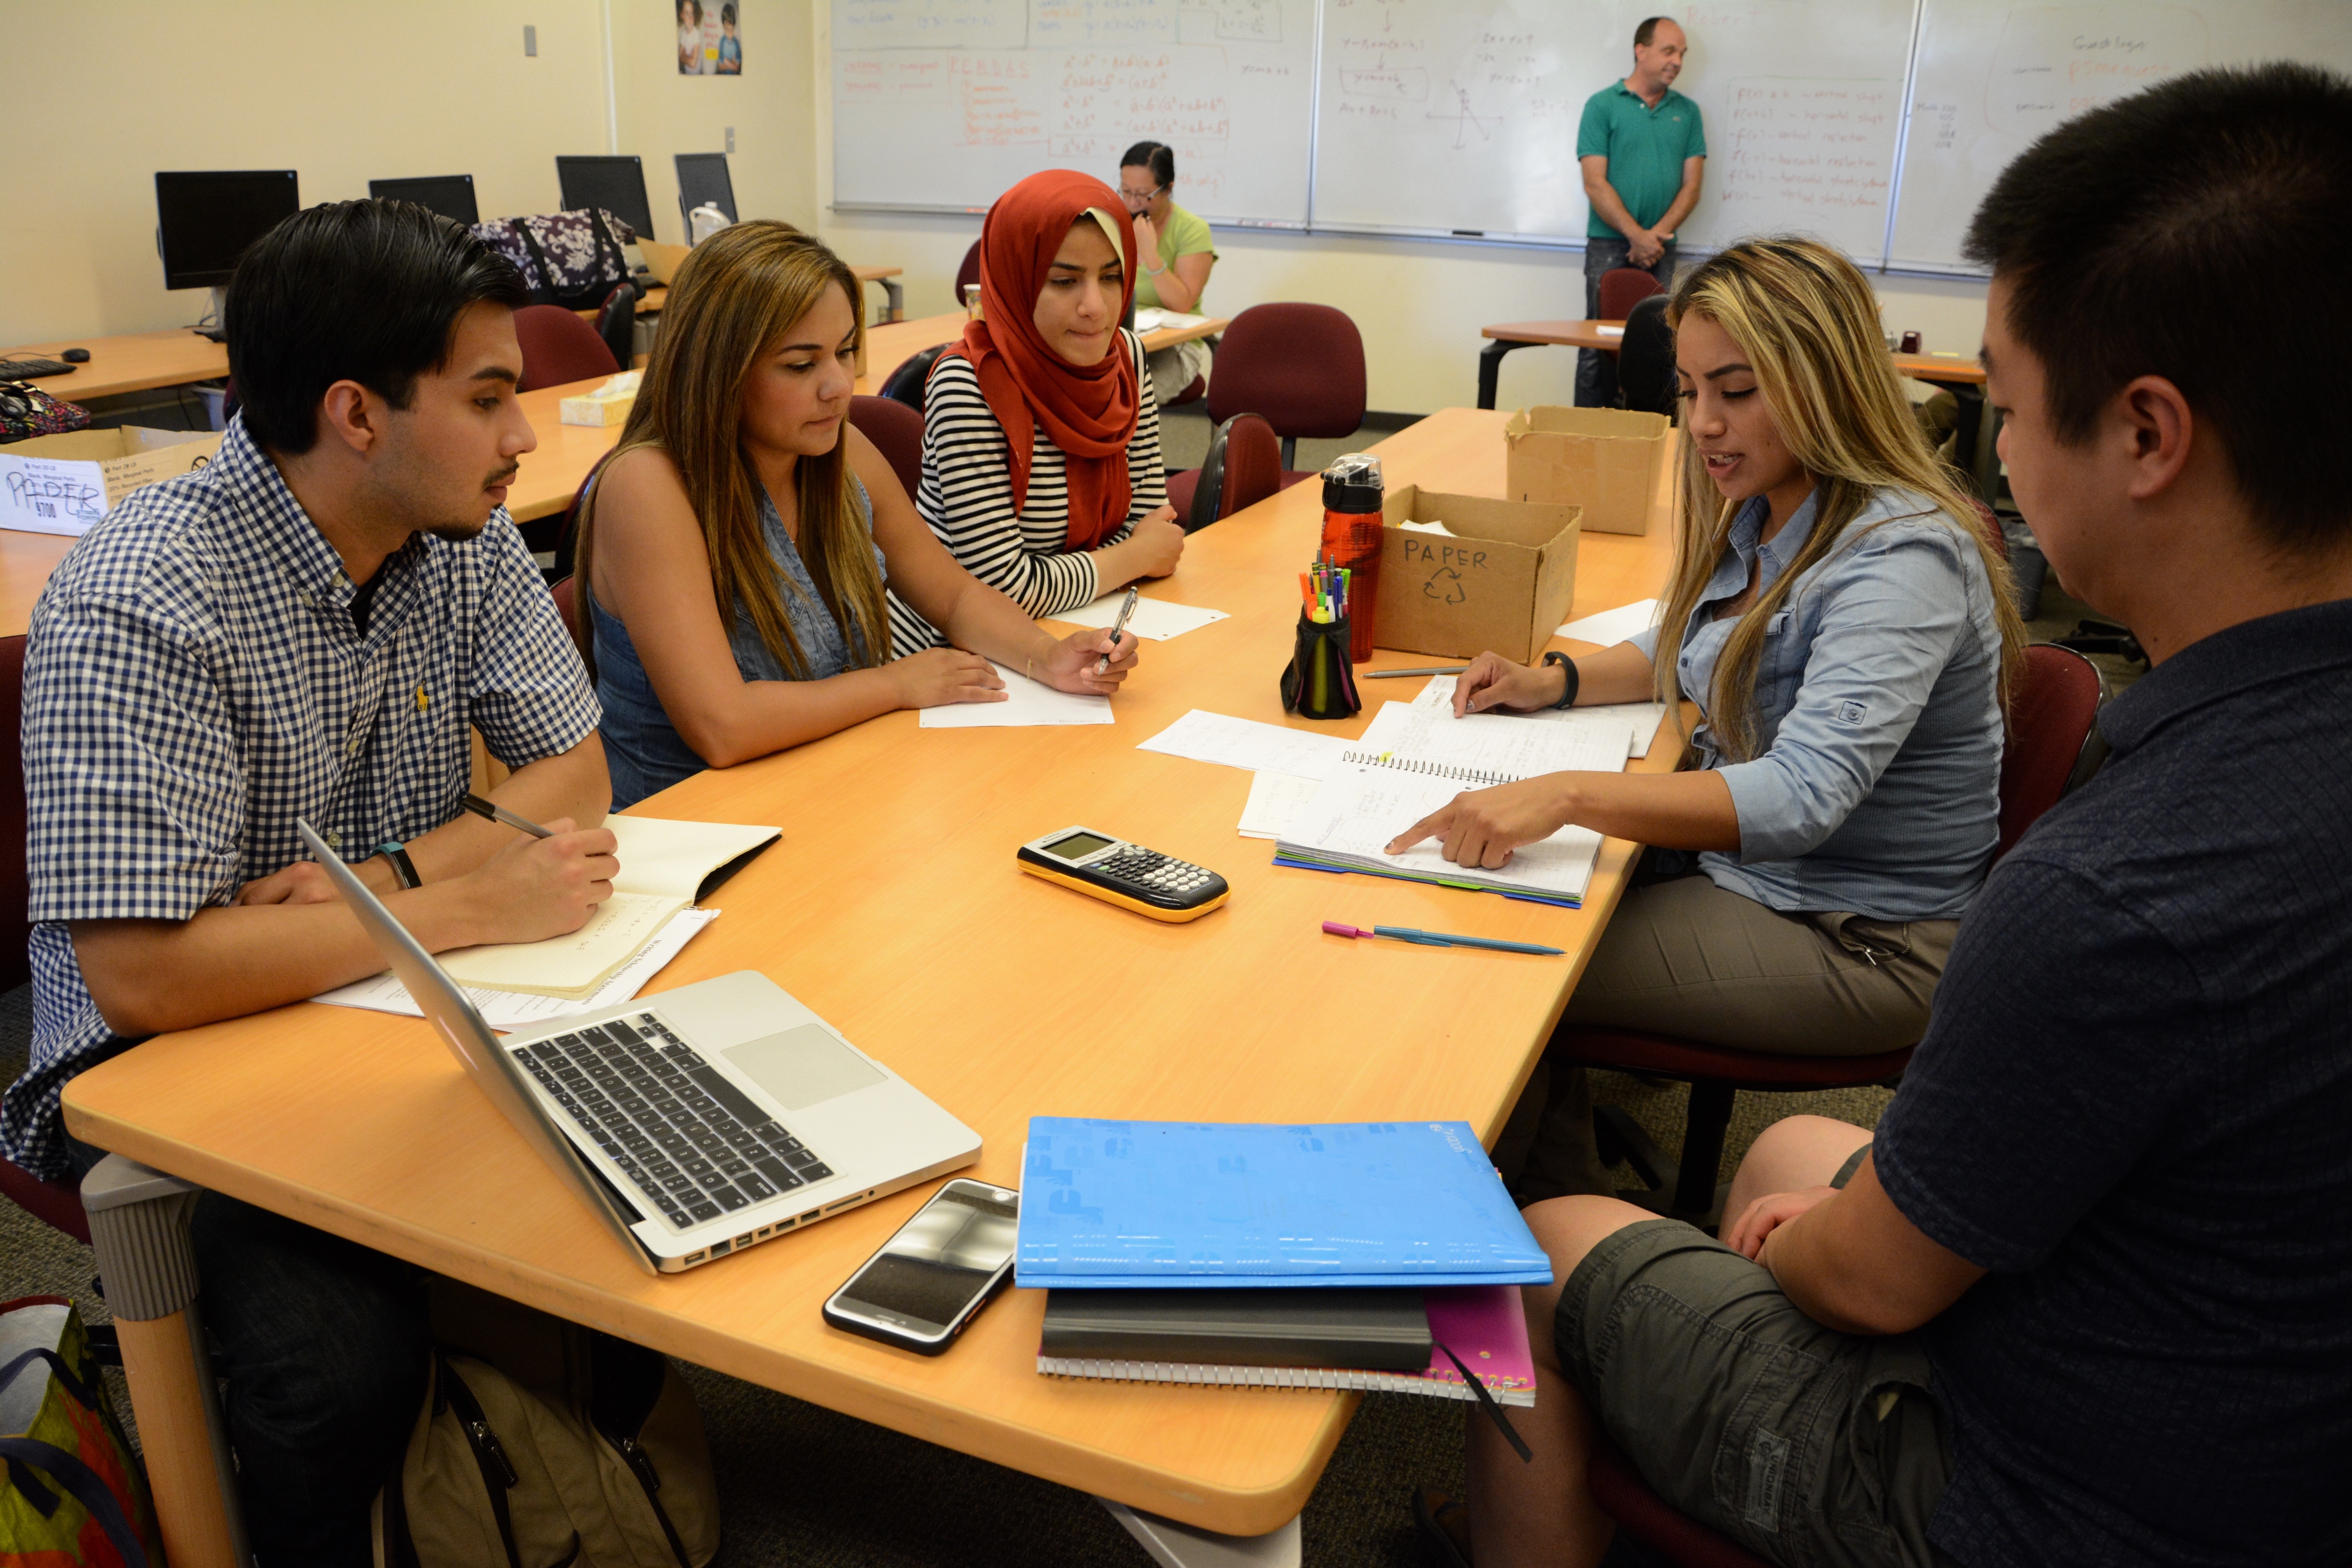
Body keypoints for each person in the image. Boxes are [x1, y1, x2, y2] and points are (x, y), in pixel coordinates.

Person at [1440, 62, 2352, 1568]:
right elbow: (1690, 656)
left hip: (2039, 1481)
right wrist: (1554, 678)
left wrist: (1828, 1254)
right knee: (1791, 1156)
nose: (1993, 451)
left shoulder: (2105, 876)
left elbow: (1870, 1283)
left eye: (2001, 401)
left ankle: (1538, 1317)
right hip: (2218, 1400)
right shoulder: (2254, 762)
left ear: (2142, 435)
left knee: (1540, 1171)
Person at [2, 199, 618, 1564]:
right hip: (160, 1071)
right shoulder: (145, 596)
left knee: (622, 1166)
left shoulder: (454, 531)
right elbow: (148, 974)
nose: (526, 437)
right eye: (491, 397)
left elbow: (573, 772)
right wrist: (455, 900)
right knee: (339, 1367)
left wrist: (379, 882)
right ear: (356, 414)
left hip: (370, 990)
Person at [1392, 235, 2023, 1204]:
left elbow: (1804, 796)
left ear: (1826, 380)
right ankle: (1553, 1203)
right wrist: (1549, 682)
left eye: (1737, 390)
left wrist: (1562, 794)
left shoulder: (1900, 557)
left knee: (1510, 965)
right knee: (1514, 912)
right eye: (1689, 391)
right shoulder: (1777, 500)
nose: (1703, 423)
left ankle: (1549, 1242)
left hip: (1857, 933)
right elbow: (1689, 636)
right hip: (1767, 881)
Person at [573, 221, 1140, 809]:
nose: (839, 386)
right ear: (718, 370)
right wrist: (894, 684)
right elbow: (725, 726)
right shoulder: (649, 488)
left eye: (845, 351)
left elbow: (952, 598)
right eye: (800, 366)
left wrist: (1048, 658)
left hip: (826, 787)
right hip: (695, 829)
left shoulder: (841, 453)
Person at [906, 169, 1183, 649]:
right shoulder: (970, 384)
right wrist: (1131, 558)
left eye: (1112, 277)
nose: (1095, 306)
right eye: (1064, 281)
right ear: (1019, 278)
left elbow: (1153, 525)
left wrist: (1122, 559)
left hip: (1083, 630)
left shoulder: (1126, 359)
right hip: (956, 657)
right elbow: (999, 593)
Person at [1575, 16, 1704, 407]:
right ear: (1641, 51)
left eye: (1682, 53)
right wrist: (1636, 235)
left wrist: (1654, 238)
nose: (1678, 60)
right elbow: (1595, 182)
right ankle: (1584, 434)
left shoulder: (1689, 112)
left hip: (1662, 248)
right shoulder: (1601, 105)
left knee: (1665, 347)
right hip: (1608, 245)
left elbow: (1693, 186)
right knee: (1596, 346)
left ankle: (1658, 437)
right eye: (1669, 50)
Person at [1117, 140, 1218, 404]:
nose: (1132, 202)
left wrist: (1151, 254)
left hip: (1175, 347)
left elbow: (1182, 303)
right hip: (1122, 341)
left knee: (1132, 402)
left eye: (1142, 195)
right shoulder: (1115, 225)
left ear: (1168, 189)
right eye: (1125, 191)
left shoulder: (1192, 229)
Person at [677, 0, 702, 73]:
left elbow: (693, 63)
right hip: (687, 72)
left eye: (692, 13)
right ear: (681, 15)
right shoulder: (683, 35)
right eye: (687, 13)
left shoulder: (696, 34)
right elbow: (680, 57)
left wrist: (684, 57)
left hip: (697, 74)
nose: (691, 17)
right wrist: (687, 59)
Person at [716, 1, 740, 73]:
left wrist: (725, 61)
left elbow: (737, 68)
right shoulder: (722, 41)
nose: (729, 33)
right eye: (727, 29)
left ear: (734, 26)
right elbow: (720, 67)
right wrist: (732, 63)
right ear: (724, 26)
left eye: (732, 29)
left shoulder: (736, 43)